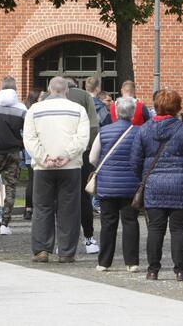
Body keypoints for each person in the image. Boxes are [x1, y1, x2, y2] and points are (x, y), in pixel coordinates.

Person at [130, 90, 183, 281]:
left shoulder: (144, 129)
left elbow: (135, 160)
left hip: (154, 184)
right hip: (181, 184)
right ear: (177, 107)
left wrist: (144, 177)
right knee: (179, 229)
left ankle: (152, 270)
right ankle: (180, 270)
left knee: (155, 229)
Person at [23, 76, 91, 263]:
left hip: (43, 167)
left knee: (42, 208)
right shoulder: (78, 110)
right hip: (70, 166)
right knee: (69, 209)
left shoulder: (35, 110)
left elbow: (29, 138)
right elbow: (83, 138)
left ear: (50, 90)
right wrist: (67, 155)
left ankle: (41, 250)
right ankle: (67, 252)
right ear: (67, 91)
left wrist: (43, 157)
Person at [89, 97, 142, 272]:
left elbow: (92, 158)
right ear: (133, 113)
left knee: (108, 223)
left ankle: (104, 262)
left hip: (107, 184)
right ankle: (132, 262)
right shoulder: (139, 132)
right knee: (130, 222)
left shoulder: (104, 131)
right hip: (130, 185)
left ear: (116, 112)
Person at [0, 76, 27, 235]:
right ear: (15, 88)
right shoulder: (21, 108)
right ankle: (5, 224)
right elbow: (27, 132)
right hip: (13, 151)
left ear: (1, 87)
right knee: (11, 188)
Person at [64, 78, 101, 254]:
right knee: (83, 196)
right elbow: (94, 126)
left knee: (60, 198)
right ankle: (88, 238)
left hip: (57, 153)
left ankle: (62, 241)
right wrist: (89, 147)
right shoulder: (85, 96)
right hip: (81, 152)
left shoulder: (49, 97)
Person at [22, 88, 43, 220]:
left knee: (33, 180)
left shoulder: (26, 111)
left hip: (30, 148)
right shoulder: (35, 112)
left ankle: (29, 208)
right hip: (36, 147)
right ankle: (32, 208)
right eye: (41, 96)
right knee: (36, 180)